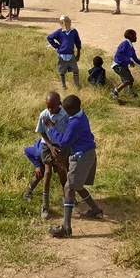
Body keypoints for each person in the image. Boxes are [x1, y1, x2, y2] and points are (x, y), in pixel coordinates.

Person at [46, 95, 103, 238]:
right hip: (85, 153)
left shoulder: (76, 123)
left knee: (69, 187)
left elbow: (64, 142)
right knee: (77, 184)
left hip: (81, 156)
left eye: (66, 110)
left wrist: (51, 128)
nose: (64, 112)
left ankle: (66, 227)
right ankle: (95, 210)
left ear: (72, 110)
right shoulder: (81, 114)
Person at [23, 91, 69, 220]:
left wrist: (62, 149)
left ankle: (68, 199)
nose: (50, 109)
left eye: (52, 106)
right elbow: (42, 132)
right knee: (47, 171)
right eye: (47, 106)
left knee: (61, 170)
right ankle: (45, 204)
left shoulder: (65, 115)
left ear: (59, 104)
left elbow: (67, 133)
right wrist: (50, 146)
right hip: (47, 145)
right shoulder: (44, 114)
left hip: (61, 145)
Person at [109, 29, 140, 99]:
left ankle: (130, 92)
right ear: (131, 36)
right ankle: (114, 92)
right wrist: (129, 61)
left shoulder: (131, 47)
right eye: (135, 36)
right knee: (127, 80)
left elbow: (136, 59)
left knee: (130, 79)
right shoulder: (125, 44)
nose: (136, 37)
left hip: (123, 66)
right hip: (118, 65)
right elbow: (118, 56)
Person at [47, 16, 82, 90]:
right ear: (60, 23)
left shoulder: (73, 31)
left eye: (66, 21)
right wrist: (57, 46)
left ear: (70, 22)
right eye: (62, 22)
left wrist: (78, 54)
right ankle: (64, 86)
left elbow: (78, 42)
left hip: (71, 55)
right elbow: (49, 38)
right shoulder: (59, 32)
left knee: (75, 70)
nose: (65, 24)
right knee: (61, 72)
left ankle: (77, 86)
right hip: (62, 55)